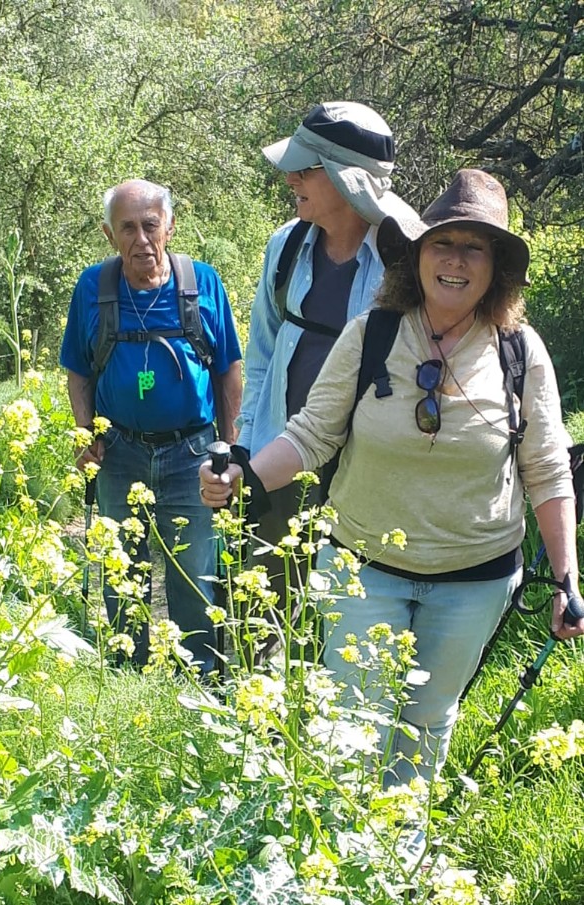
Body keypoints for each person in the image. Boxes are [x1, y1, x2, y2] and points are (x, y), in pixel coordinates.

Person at [200, 168, 584, 781]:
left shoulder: (520, 351)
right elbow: (310, 435)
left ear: (496, 268)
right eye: (442, 243)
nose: (454, 260)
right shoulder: (373, 334)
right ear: (418, 255)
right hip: (362, 570)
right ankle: (344, 865)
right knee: (351, 725)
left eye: (474, 247)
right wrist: (242, 471)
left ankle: (400, 858)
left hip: (475, 579)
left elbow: (546, 469)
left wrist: (566, 579)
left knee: (429, 720)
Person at [237, 101, 418, 597]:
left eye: (304, 168)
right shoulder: (285, 248)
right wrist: (247, 451)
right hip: (281, 459)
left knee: (347, 612)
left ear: (344, 178)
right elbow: (263, 357)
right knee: (263, 608)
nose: (290, 178)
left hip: (368, 476)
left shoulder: (410, 259)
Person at [61, 179, 242, 672]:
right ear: (109, 234)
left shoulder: (202, 282)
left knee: (196, 574)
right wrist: (86, 436)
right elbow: (77, 372)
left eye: (150, 225)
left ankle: (202, 681)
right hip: (119, 453)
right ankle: (129, 677)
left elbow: (228, 369)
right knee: (124, 570)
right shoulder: (92, 289)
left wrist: (229, 448)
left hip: (193, 454)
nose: (141, 239)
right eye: (127, 228)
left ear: (169, 227)